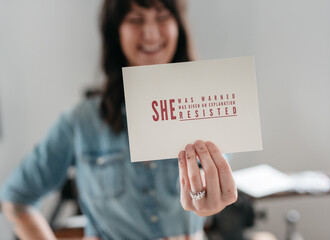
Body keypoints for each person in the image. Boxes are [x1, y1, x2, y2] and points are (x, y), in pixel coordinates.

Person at [0, 0, 238, 239]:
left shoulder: (204, 110)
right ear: (116, 32)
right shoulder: (81, 122)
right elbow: (15, 198)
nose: (151, 32)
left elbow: (212, 184)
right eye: (135, 19)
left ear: (179, 26)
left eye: (163, 16)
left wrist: (211, 198)